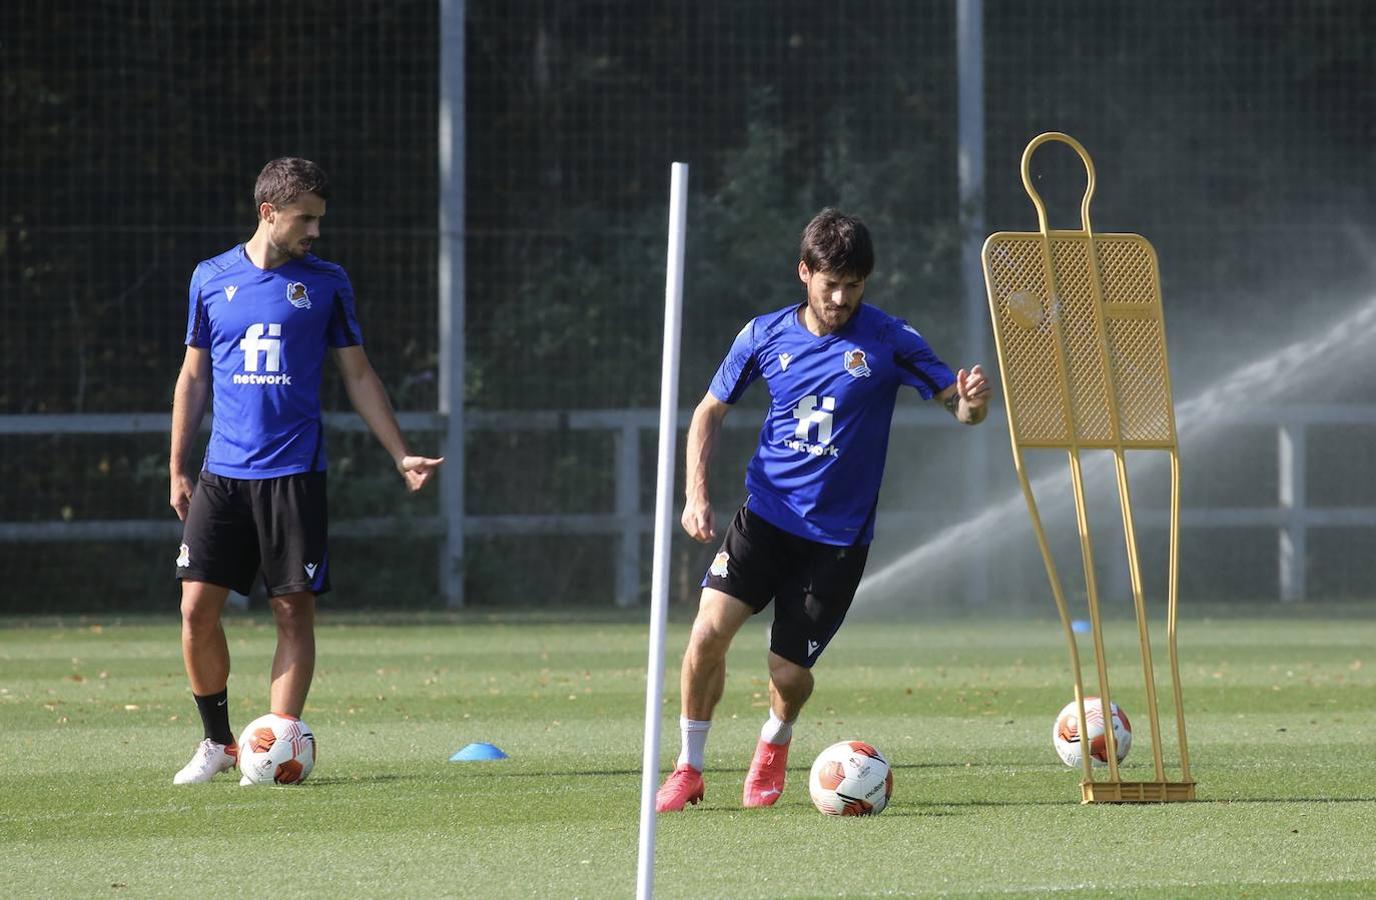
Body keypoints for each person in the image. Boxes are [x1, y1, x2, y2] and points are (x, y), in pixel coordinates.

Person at [655, 208, 991, 811]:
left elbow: (960, 410)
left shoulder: (890, 339)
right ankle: (689, 767)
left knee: (788, 675)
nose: (841, 298)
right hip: (764, 519)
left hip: (837, 540)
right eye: (830, 283)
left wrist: (971, 403)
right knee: (706, 636)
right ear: (803, 272)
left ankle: (775, 741)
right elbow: (708, 412)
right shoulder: (762, 334)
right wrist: (696, 495)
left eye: (854, 286)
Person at [168, 157, 443, 784]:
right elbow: (192, 376)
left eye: (319, 219)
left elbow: (359, 374)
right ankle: (216, 742)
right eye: (306, 219)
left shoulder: (327, 282)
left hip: (294, 473)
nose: (315, 232)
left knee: (292, 613)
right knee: (195, 611)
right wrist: (178, 467)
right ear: (269, 212)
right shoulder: (210, 279)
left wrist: (400, 452)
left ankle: (273, 747)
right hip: (223, 475)